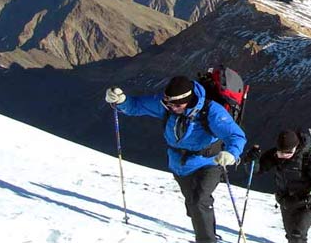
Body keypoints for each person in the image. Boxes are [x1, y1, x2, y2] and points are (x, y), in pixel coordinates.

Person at [105, 76, 247, 243]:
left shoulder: (211, 111)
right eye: (169, 105)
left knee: (198, 202)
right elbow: (136, 106)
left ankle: (207, 239)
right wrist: (121, 101)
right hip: (179, 164)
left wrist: (232, 153)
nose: (172, 108)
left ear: (188, 100)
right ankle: (205, 226)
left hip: (209, 162)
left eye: (177, 105)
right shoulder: (167, 105)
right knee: (193, 204)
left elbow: (236, 135)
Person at [256, 130, 311, 243]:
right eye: (281, 153)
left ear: (296, 147)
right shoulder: (275, 154)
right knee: (291, 235)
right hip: (286, 200)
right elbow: (256, 170)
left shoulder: (310, 159)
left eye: (287, 153)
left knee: (297, 235)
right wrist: (251, 160)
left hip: (307, 201)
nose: (283, 156)